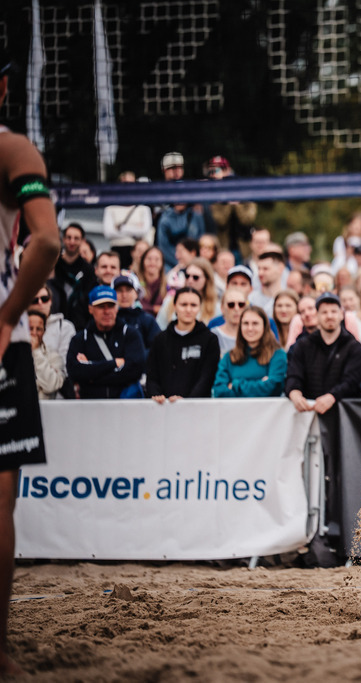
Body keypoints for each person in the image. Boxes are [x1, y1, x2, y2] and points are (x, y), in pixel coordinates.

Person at [0, 60, 62, 672]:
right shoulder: (13, 148)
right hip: (2, 337)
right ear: (3, 88)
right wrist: (9, 315)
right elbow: (45, 240)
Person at [66, 285, 146, 399]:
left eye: (111, 306)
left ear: (117, 307)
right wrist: (114, 364)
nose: (107, 311)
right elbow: (74, 371)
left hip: (125, 405)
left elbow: (135, 371)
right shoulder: (80, 339)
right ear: (90, 309)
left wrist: (91, 371)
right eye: (101, 306)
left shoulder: (130, 334)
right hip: (91, 405)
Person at [146, 287, 219, 403]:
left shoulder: (210, 339)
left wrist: (187, 402)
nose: (188, 309)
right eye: (183, 304)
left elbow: (207, 378)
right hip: (164, 406)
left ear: (199, 307)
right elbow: (152, 376)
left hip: (197, 407)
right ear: (175, 306)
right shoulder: (160, 339)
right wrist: (157, 395)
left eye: (193, 305)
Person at [213, 306, 287, 398]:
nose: (250, 328)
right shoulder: (229, 357)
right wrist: (260, 384)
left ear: (264, 326)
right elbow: (219, 391)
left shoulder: (277, 354)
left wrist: (236, 385)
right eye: (245, 323)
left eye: (255, 323)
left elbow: (273, 388)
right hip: (234, 408)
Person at [102, 170, 153, 268]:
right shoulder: (110, 208)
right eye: (125, 183)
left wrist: (119, 228)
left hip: (139, 254)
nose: (128, 187)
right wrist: (135, 228)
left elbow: (144, 231)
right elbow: (108, 232)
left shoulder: (144, 209)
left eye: (131, 184)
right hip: (118, 252)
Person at [50, 222, 96, 330]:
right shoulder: (55, 266)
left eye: (76, 238)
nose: (72, 242)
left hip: (80, 324)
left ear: (82, 241)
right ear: (63, 239)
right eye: (69, 237)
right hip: (54, 321)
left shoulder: (88, 270)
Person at [114, 274, 160, 352]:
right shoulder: (107, 319)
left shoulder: (147, 320)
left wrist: (137, 356)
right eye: (119, 290)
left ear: (136, 294)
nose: (124, 295)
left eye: (128, 290)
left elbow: (158, 348)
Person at [28, 310, 64, 399]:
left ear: (44, 331)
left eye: (38, 329)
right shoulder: (10, 355)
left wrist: (36, 351)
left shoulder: (55, 358)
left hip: (44, 407)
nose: (34, 333)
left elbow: (50, 386)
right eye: (30, 328)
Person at [214, 288, 248, 355]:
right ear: (222, 308)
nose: (236, 308)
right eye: (231, 304)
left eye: (241, 304)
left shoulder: (254, 334)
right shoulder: (213, 336)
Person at [136, 245, 167, 316]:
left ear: (162, 263)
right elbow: (135, 305)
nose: (152, 262)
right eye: (149, 259)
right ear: (143, 261)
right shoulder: (136, 282)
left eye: (157, 259)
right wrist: (154, 309)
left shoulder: (168, 285)